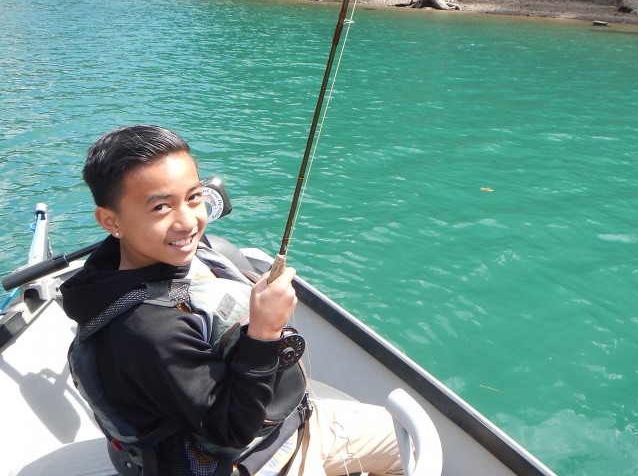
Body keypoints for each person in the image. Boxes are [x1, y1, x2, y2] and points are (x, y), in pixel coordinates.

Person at [61, 124, 403, 476]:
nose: (187, 222)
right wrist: (264, 333)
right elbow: (232, 430)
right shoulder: (147, 330)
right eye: (161, 207)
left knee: (406, 436)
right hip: (254, 461)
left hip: (297, 422)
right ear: (110, 221)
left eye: (194, 197)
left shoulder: (166, 258)